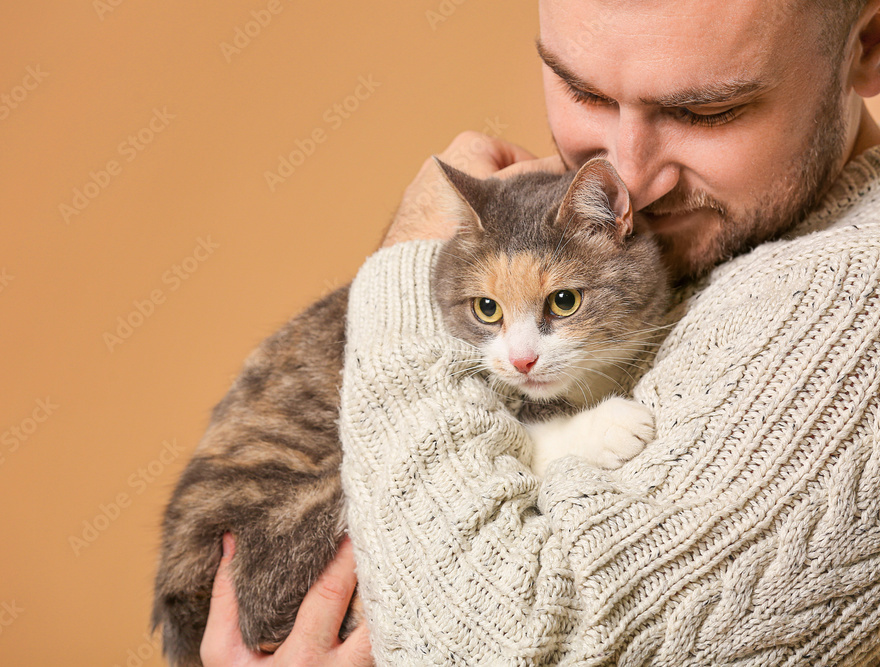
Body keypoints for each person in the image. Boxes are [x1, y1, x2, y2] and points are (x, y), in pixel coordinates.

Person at [202, 0, 880, 664]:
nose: (632, 179)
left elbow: (487, 648)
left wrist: (405, 262)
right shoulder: (696, 246)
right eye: (582, 91)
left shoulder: (855, 300)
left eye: (706, 111)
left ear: (868, 47)